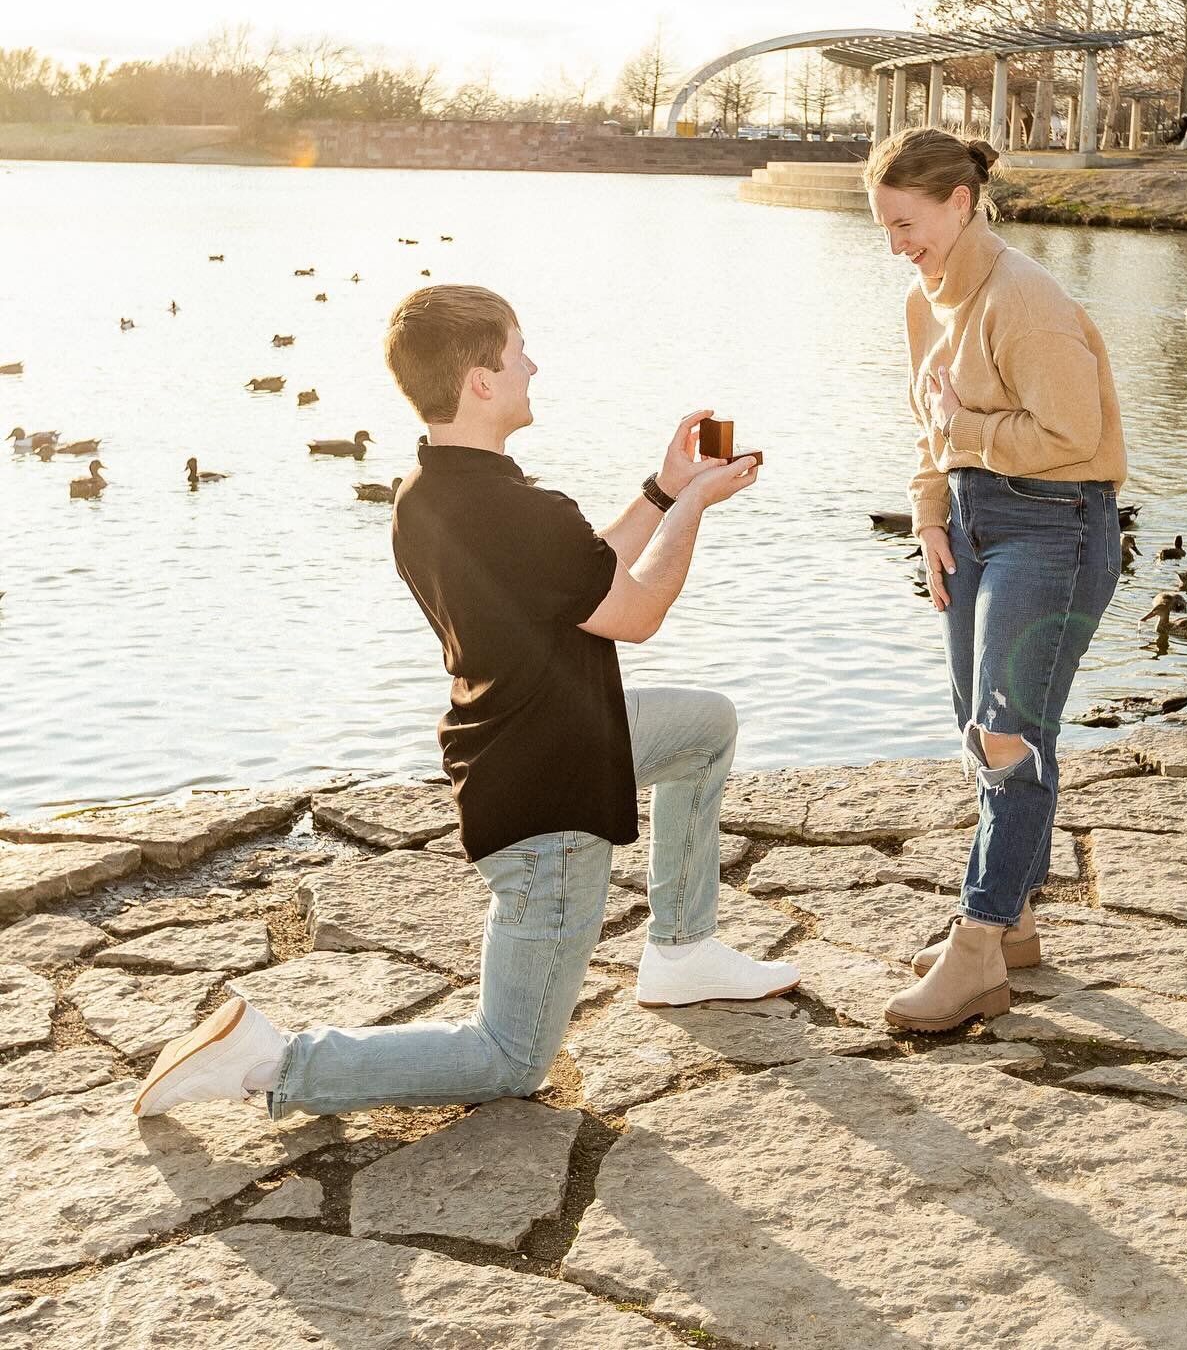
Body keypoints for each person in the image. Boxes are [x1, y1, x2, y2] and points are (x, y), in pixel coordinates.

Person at [133, 284, 797, 1120]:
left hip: (539, 743)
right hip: (548, 803)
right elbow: (637, 610)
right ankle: (274, 1063)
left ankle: (682, 949)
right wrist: (697, 506)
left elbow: (582, 570)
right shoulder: (521, 511)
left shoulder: (429, 494)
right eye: (518, 352)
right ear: (482, 380)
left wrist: (663, 491)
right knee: (511, 1057)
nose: (532, 365)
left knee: (704, 727)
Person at [865, 129, 1126, 1034]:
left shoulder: (1026, 299)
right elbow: (929, 430)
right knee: (978, 725)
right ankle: (1012, 919)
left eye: (908, 223)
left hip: (1055, 528)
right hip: (972, 529)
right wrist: (929, 512)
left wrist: (964, 428)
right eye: (884, 226)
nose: (897, 243)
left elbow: (1074, 434)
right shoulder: (921, 302)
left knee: (1008, 734)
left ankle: (977, 946)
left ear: (960, 203)